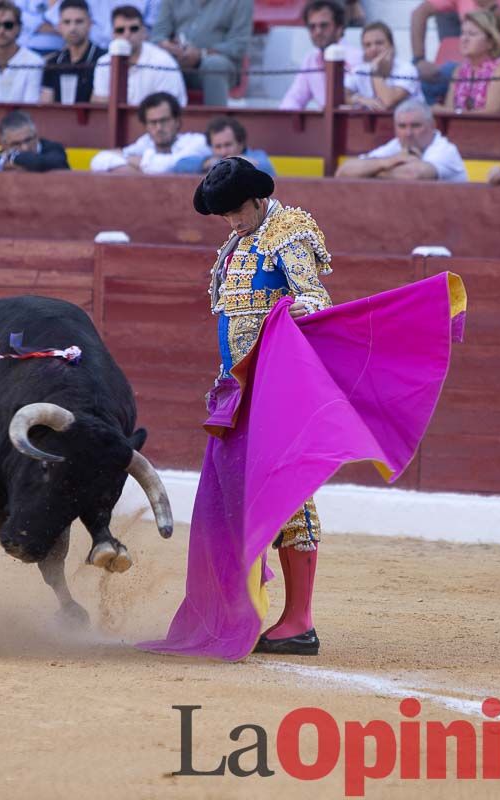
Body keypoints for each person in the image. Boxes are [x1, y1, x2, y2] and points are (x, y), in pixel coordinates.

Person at [197, 156, 333, 654]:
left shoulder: (288, 230)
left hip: (278, 388)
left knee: (291, 497)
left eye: (236, 211)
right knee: (240, 498)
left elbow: (316, 297)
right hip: (239, 390)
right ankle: (243, 609)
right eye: (225, 215)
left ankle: (299, 622)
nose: (232, 221)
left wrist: (305, 307)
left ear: (258, 198)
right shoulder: (237, 243)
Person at [410, 0, 500, 105]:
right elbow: (419, 13)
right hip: (474, 67)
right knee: (427, 79)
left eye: (470, 34)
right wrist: (419, 59)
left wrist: (493, 7)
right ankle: (427, 131)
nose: (465, 38)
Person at [336, 97, 466, 182]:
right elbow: (343, 171)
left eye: (415, 126)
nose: (408, 133)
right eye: (402, 126)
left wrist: (371, 172)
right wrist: (389, 161)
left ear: (432, 126)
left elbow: (413, 175)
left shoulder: (445, 150)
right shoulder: (396, 146)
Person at [150, 0, 252, 107]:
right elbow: (157, 37)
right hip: (178, 61)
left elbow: (238, 45)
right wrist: (172, 48)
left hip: (221, 66)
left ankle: (216, 121)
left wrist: (200, 54)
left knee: (214, 64)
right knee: (157, 62)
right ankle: (158, 119)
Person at [89, 90, 209, 173]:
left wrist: (138, 163)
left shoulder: (196, 142)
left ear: (177, 121)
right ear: (145, 125)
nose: (158, 127)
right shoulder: (145, 143)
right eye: (152, 122)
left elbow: (171, 166)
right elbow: (98, 161)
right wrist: (139, 171)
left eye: (164, 120)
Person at [91, 4, 187, 105]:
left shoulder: (163, 62)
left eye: (133, 29)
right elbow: (100, 105)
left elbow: (167, 108)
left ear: (144, 32)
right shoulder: (104, 63)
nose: (127, 34)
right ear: (113, 35)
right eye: (120, 30)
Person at [438, 9, 500, 115]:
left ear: (491, 41)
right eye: (463, 33)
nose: (464, 39)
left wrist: (455, 112)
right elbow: (448, 111)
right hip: (464, 129)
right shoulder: (459, 70)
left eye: (472, 34)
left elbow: (491, 113)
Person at [280, 0, 362, 111]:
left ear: (339, 28)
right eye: (312, 27)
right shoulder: (310, 59)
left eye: (324, 26)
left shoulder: (357, 58)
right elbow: (294, 98)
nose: (317, 31)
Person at [0, 1, 46, 102]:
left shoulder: (34, 62)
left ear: (19, 27)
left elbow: (31, 107)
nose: (1, 31)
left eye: (8, 25)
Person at [344, 21, 422, 110]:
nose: (373, 49)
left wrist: (375, 71)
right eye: (367, 45)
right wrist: (359, 99)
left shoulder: (407, 69)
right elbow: (339, 95)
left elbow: (387, 102)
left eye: (379, 43)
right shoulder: (360, 70)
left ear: (391, 45)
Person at [40, 0, 105, 103]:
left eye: (79, 22)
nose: (73, 28)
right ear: (59, 26)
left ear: (90, 24)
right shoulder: (53, 63)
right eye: (67, 22)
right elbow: (46, 104)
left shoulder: (103, 60)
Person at [0, 110, 71, 171]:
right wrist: (3, 162)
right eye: (16, 144)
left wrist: (12, 158)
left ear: (36, 135)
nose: (25, 147)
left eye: (28, 140)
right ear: (4, 145)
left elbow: (38, 162)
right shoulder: (3, 155)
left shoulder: (54, 149)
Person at [173, 115, 276, 176]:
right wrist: (205, 163)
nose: (223, 152)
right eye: (218, 147)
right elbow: (180, 165)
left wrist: (239, 163)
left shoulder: (257, 156)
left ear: (240, 143)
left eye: (228, 145)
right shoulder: (210, 160)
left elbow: (266, 168)